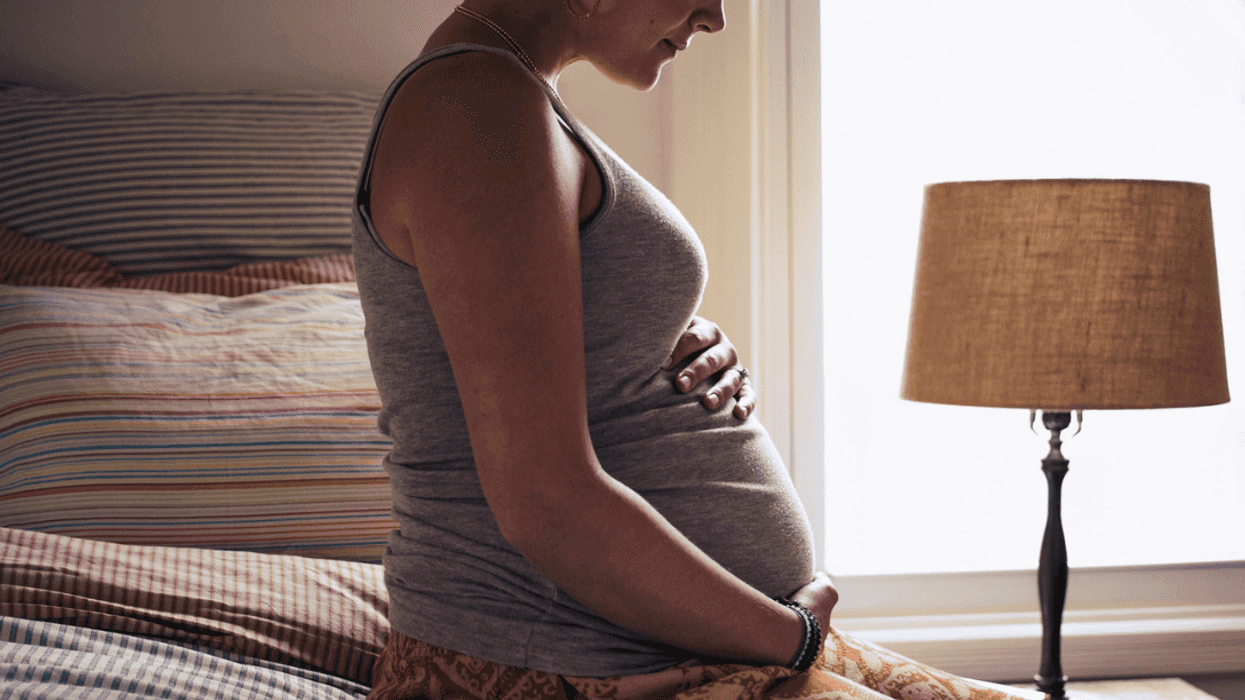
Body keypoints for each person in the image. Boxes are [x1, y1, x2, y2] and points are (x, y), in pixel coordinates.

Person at [351, 2, 1034, 699]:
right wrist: (794, 637)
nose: (715, 18)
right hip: (564, 666)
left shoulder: (505, 96)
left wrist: (662, 340)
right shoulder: (472, 106)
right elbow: (544, 503)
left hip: (664, 646)